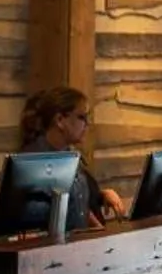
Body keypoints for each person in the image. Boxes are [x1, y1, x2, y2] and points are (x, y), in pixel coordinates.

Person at [19, 87, 128, 225]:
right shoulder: (33, 162)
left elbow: (79, 206)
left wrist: (100, 196)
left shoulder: (70, 155)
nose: (87, 124)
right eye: (81, 117)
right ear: (60, 120)